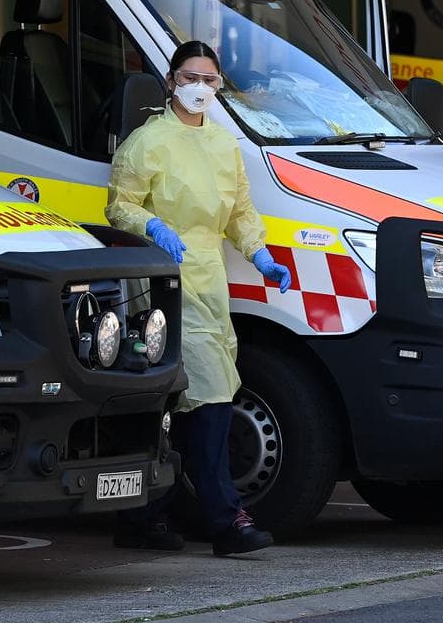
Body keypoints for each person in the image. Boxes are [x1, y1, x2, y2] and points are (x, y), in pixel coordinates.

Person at [106, 40, 291, 556]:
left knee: (207, 397)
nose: (201, 89)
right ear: (171, 82)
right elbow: (119, 205)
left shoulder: (224, 145)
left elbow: (241, 213)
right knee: (174, 400)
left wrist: (260, 256)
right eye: (192, 77)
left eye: (211, 80)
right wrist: (152, 224)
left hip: (208, 281)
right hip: (158, 285)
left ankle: (153, 517)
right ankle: (214, 520)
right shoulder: (147, 143)